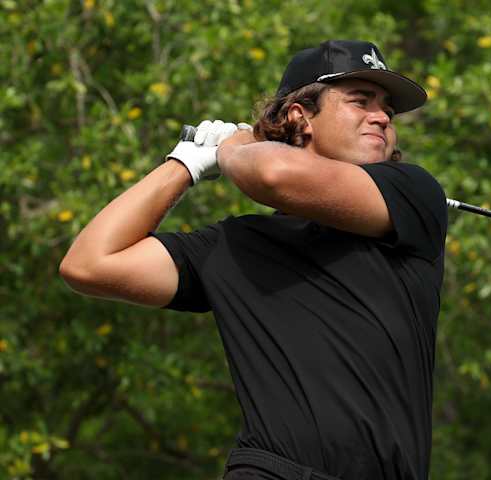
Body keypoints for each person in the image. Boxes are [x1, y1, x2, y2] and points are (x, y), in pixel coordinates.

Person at [59, 40, 447, 480]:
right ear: (301, 117)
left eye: (388, 112)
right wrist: (184, 164)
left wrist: (236, 144)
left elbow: (273, 175)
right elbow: (89, 263)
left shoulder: (412, 195)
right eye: (360, 101)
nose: (381, 117)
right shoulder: (232, 246)